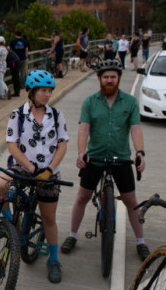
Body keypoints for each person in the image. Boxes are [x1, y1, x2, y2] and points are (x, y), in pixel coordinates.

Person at [60, 59, 149, 260]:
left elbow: (135, 129)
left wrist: (140, 152)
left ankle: (141, 241)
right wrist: (81, 152)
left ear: (118, 79)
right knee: (82, 197)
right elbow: (84, 128)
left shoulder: (130, 102)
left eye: (113, 77)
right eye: (106, 77)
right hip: (96, 157)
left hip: (121, 158)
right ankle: (72, 235)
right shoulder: (90, 102)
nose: (109, 80)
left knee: (130, 200)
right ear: (100, 79)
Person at [0, 70, 69, 282]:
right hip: (24, 168)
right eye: (43, 90)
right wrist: (32, 168)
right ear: (32, 92)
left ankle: (53, 260)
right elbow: (12, 146)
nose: (47, 95)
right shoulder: (18, 115)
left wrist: (49, 169)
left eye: (49, 91)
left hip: (50, 171)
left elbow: (62, 145)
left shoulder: (57, 116)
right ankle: (10, 225)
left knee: (49, 219)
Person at [9, 31, 30, 97]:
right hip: (23, 59)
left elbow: (9, 49)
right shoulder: (24, 41)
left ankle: (17, 87)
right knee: (23, 73)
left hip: (15, 60)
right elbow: (26, 50)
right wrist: (26, 57)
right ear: (21, 35)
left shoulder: (12, 41)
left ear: (15, 34)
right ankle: (22, 85)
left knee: (16, 74)